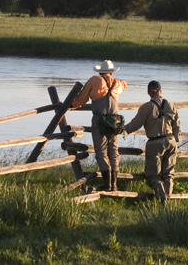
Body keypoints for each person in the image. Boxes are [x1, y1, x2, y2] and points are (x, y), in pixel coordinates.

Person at [72, 60, 127, 191]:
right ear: (112, 72)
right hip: (115, 121)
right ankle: (114, 184)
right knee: (113, 151)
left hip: (99, 119)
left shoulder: (94, 80)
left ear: (100, 71)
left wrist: (72, 104)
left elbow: (80, 100)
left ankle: (106, 183)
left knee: (101, 152)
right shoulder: (117, 84)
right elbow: (124, 85)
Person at [124, 80, 181, 204]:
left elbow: (136, 123)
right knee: (168, 175)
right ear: (160, 91)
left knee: (153, 176)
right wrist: (176, 139)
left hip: (154, 143)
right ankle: (168, 200)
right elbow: (177, 125)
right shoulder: (171, 105)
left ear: (149, 93)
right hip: (171, 141)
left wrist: (124, 129)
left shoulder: (146, 107)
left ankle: (162, 198)